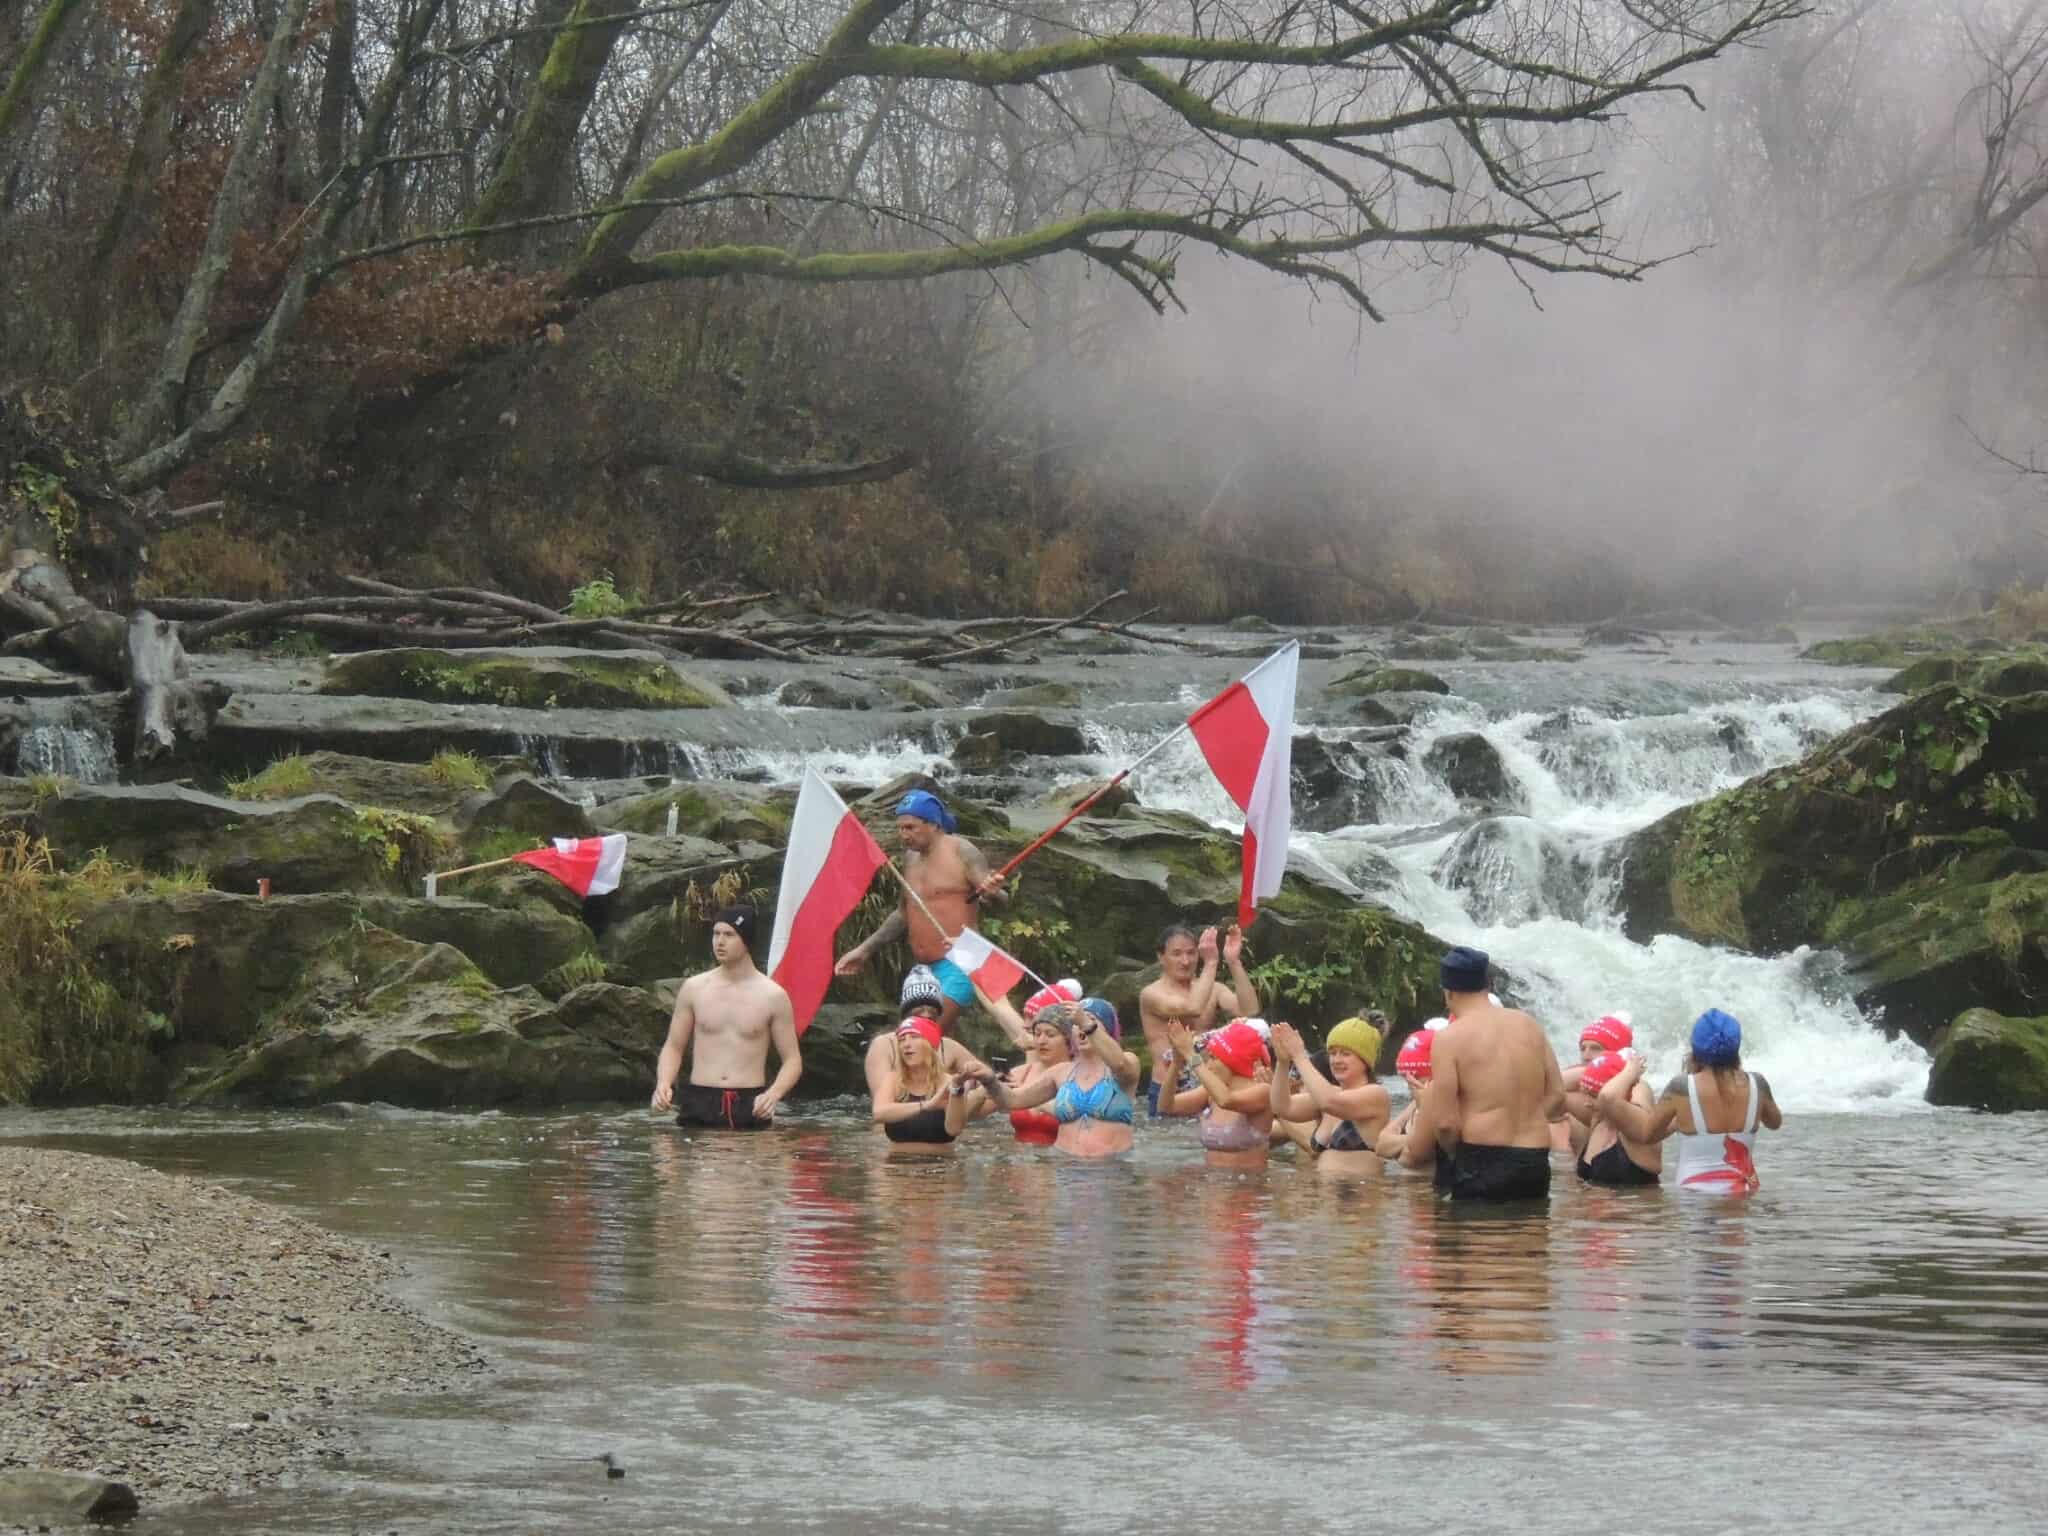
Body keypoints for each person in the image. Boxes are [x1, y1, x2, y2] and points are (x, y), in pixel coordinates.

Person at [833, 790, 1008, 1034]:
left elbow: (997, 901)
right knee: (917, 1041)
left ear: (933, 824)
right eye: (900, 828)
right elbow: (903, 912)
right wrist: (865, 950)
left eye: (910, 827)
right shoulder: (910, 858)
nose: (904, 835)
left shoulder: (962, 851)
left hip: (960, 960)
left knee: (922, 1033)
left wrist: (993, 892)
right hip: (923, 969)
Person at [1402, 947, 1564, 1202]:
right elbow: (1557, 1095)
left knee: (1477, 1228)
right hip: (1534, 1159)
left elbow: (1445, 1123)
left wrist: (1456, 1156)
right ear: (1487, 985)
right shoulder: (1529, 1025)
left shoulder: (1449, 1038)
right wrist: (1524, 1122)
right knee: (1530, 1228)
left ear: (1448, 991)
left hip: (1481, 1158)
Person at [1596, 1010, 1781, 1194]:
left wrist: (1629, 1074)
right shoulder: (1757, 1084)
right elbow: (1774, 1122)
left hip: (1694, 1197)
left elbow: (1648, 1135)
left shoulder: (1682, 1087)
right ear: (1736, 1046)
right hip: (1744, 1195)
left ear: (1696, 1047)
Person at [652, 906, 801, 1129]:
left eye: (729, 934)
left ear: (747, 941)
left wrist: (773, 1095)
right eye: (716, 933)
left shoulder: (773, 996)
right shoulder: (694, 988)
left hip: (749, 1102)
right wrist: (663, 1083)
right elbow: (674, 1046)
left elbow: (792, 1060)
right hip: (699, 1099)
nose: (719, 942)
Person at [979, 998, 1141, 1157]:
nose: (1081, 1027)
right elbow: (1013, 1100)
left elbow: (1119, 1064)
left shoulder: (1127, 1062)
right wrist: (989, 1081)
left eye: (1091, 1019)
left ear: (1108, 1030)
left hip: (1112, 1168)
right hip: (1065, 1165)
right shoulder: (1061, 1072)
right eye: (1076, 1024)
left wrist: (1086, 1024)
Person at [1138, 923, 1259, 1114]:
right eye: (1176, 954)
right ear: (1161, 957)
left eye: (1191, 953)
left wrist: (1233, 962)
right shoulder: (1152, 994)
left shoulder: (1214, 989)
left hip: (1207, 1085)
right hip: (1170, 1087)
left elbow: (1250, 1011)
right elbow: (1193, 1008)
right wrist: (1211, 963)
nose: (1185, 961)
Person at [1270, 1016, 1391, 1176]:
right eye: (1333, 1053)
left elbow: (1328, 1102)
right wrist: (1283, 1062)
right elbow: (1282, 1107)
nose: (1336, 1060)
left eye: (1345, 1054)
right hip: (1323, 1189)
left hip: (1360, 1190)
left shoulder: (1376, 1094)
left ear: (1365, 1060)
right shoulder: (1331, 1094)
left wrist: (1299, 1056)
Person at [863, 965, 990, 1104]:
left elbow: (988, 1079)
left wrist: (970, 1089)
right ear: (905, 1015)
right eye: (918, 1012)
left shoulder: (949, 1047)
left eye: (932, 1012)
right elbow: (882, 1106)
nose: (925, 1015)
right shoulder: (883, 1046)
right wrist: (931, 1105)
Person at [1158, 1017, 1274, 1168]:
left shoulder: (1263, 1091)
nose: (1208, 1065)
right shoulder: (1210, 1092)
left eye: (1213, 1058)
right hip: (1210, 1180)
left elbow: (1226, 1100)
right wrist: (1176, 1062)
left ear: (1233, 1060)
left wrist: (1191, 1055)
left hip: (1250, 1182)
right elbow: (1166, 1106)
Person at [977, 982, 1079, 1146]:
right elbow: (972, 1115)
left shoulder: (1083, 1074)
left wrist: (1020, 1094)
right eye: (1037, 1033)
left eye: (1049, 1033)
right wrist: (984, 1087)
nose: (1025, 1025)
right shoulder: (1022, 1072)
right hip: (1020, 1158)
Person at [872, 1016, 977, 1150]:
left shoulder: (948, 1082)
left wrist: (957, 1089)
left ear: (930, 1045)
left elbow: (954, 1129)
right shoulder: (893, 1079)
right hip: (895, 1160)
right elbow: (879, 1113)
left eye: (914, 1037)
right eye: (902, 1040)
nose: (906, 1044)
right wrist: (927, 1105)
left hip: (941, 1161)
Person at [1570, 1050, 1661, 1187]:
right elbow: (1556, 1087)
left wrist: (1631, 1070)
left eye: (1594, 1096)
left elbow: (1608, 1097)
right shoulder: (1599, 1119)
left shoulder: (1641, 1124)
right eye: (1586, 1095)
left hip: (1638, 1202)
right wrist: (1598, 1065)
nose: (1586, 1103)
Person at [1376, 1022, 1440, 1172]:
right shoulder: (1412, 1105)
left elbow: (1408, 1158)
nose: (1409, 1083)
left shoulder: (1447, 1107)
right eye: (1405, 1076)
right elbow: (1381, 1146)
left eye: (1416, 1076)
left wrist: (1400, 1144)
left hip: (1428, 1185)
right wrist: (1415, 1141)